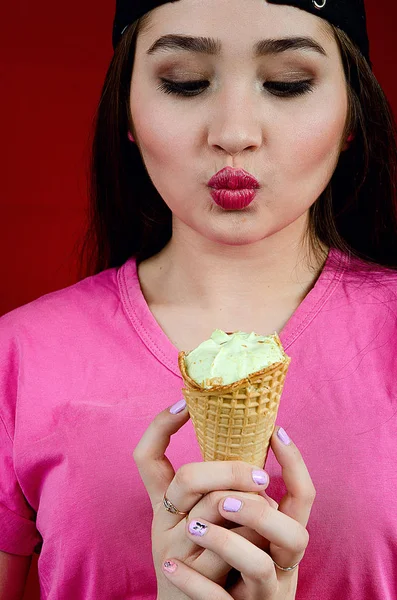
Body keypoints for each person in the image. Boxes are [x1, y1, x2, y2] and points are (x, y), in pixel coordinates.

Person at [1, 0, 397, 598]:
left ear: (351, 117)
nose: (233, 133)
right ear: (127, 112)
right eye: (183, 83)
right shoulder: (21, 353)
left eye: (287, 84)